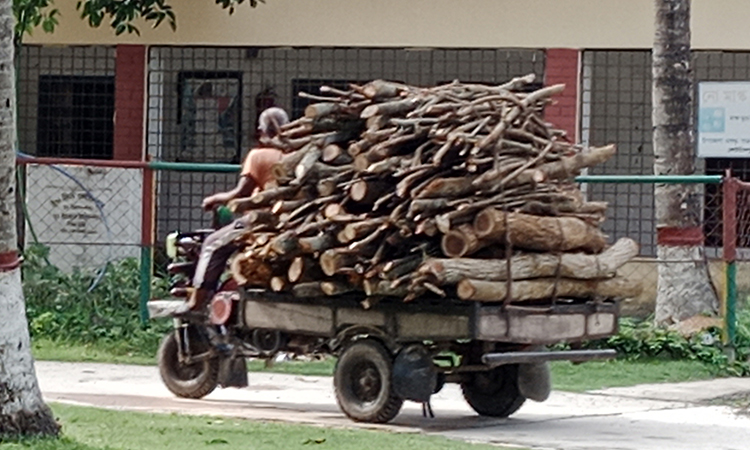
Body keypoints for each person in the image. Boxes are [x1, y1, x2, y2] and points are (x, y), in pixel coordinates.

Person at [178, 107, 289, 314]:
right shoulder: (294, 154)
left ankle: (197, 301)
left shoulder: (258, 156)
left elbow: (239, 193)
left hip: (261, 222)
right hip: (289, 222)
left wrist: (213, 199)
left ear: (261, 130)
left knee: (211, 245)